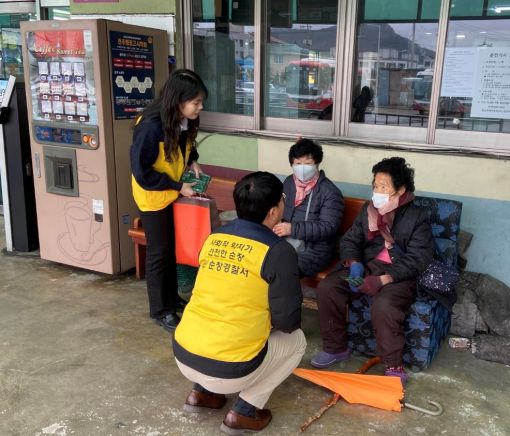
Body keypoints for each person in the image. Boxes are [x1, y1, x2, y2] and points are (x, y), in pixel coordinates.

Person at [173, 171, 306, 434]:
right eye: (281, 199)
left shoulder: (214, 238)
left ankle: (201, 394)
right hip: (230, 370)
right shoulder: (278, 251)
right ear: (272, 213)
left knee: (219, 317)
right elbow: (288, 321)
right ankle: (244, 412)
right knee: (297, 342)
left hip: (184, 354)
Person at [311, 157, 434, 385]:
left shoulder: (417, 217)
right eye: (375, 186)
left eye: (384, 186)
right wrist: (354, 263)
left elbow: (418, 259)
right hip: (367, 265)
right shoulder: (369, 210)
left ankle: (393, 366)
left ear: (401, 189)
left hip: (399, 274)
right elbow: (350, 240)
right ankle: (336, 348)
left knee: (384, 305)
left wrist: (383, 280)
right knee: (328, 287)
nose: (377, 191)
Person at [130, 69, 208, 332]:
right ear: (178, 101)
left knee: (171, 249)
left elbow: (186, 143)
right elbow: (142, 173)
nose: (200, 107)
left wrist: (193, 159)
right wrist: (177, 186)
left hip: (172, 193)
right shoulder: (150, 127)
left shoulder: (181, 120)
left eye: (200, 102)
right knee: (158, 253)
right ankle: (160, 310)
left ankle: (171, 297)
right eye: (195, 102)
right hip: (153, 196)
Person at [273, 138, 344, 278]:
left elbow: (328, 227)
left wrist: (292, 229)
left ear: (317, 163)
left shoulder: (330, 192)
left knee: (284, 269)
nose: (302, 168)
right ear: (292, 164)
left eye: (308, 163)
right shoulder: (288, 182)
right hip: (286, 242)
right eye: (298, 163)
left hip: (315, 250)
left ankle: (284, 299)